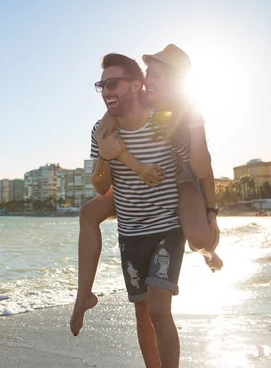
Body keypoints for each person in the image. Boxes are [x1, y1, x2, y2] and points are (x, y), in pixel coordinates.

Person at [70, 46, 222, 341]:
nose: (150, 79)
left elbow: (203, 169)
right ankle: (83, 295)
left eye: (159, 75)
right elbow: (111, 117)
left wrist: (212, 213)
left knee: (200, 239)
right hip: (137, 189)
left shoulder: (179, 110)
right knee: (88, 212)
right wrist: (114, 149)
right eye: (149, 72)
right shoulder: (126, 107)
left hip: (178, 180)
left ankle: (208, 251)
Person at [80, 53, 189, 367]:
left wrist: (206, 214)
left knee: (158, 309)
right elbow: (101, 187)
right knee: (142, 311)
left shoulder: (164, 118)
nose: (105, 90)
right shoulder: (100, 130)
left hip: (168, 226)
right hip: (129, 233)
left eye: (112, 83)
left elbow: (189, 166)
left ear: (137, 83)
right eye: (101, 85)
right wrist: (104, 154)